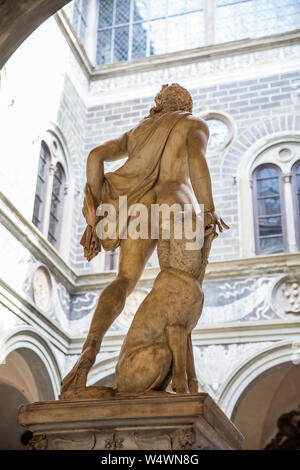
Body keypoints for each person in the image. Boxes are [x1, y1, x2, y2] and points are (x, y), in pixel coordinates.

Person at [60, 83, 228, 397]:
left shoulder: (137, 133)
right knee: (183, 288)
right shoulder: (193, 124)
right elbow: (197, 163)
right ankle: (186, 382)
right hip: (173, 204)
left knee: (124, 279)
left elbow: (96, 157)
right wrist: (209, 209)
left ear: (160, 104)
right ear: (185, 105)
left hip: (135, 209)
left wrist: (96, 214)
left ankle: (88, 353)